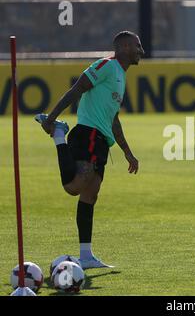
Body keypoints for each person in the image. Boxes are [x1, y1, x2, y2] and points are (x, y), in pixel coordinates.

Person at [35, 31, 143, 269]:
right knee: (74, 186)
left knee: (90, 194)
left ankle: (85, 256)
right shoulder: (106, 65)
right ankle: (60, 135)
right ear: (124, 47)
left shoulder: (121, 77)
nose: (141, 51)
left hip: (102, 140)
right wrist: (51, 119)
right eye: (137, 46)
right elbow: (77, 89)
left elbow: (114, 119)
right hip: (88, 133)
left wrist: (127, 151)